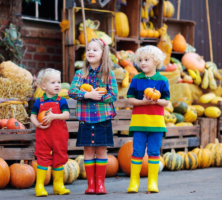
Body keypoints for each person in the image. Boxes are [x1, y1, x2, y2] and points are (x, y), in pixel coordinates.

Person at [68, 38, 118, 195]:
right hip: (86, 119)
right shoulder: (80, 74)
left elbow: (113, 94)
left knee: (102, 151)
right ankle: (91, 185)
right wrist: (88, 94)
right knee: (88, 151)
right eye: (88, 49)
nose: (90, 52)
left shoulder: (108, 74)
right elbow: (72, 92)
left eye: (95, 50)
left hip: (103, 120)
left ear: (103, 54)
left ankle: (100, 185)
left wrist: (99, 97)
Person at [126, 45, 170, 193]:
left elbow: (166, 101)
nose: (143, 62)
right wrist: (143, 102)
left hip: (156, 124)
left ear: (156, 62)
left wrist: (156, 100)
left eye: (146, 59)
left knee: (154, 152)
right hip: (139, 123)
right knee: (137, 151)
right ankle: (134, 182)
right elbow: (130, 99)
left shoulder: (162, 80)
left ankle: (152, 182)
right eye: (140, 60)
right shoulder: (136, 79)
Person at [30, 68, 70, 197]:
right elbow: (32, 116)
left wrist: (54, 116)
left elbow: (66, 115)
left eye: (59, 82)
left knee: (59, 157)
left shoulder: (61, 100)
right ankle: (39, 185)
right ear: (43, 86)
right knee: (42, 158)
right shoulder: (39, 101)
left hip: (59, 136)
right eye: (53, 82)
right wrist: (38, 125)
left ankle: (58, 185)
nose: (57, 85)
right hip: (44, 135)